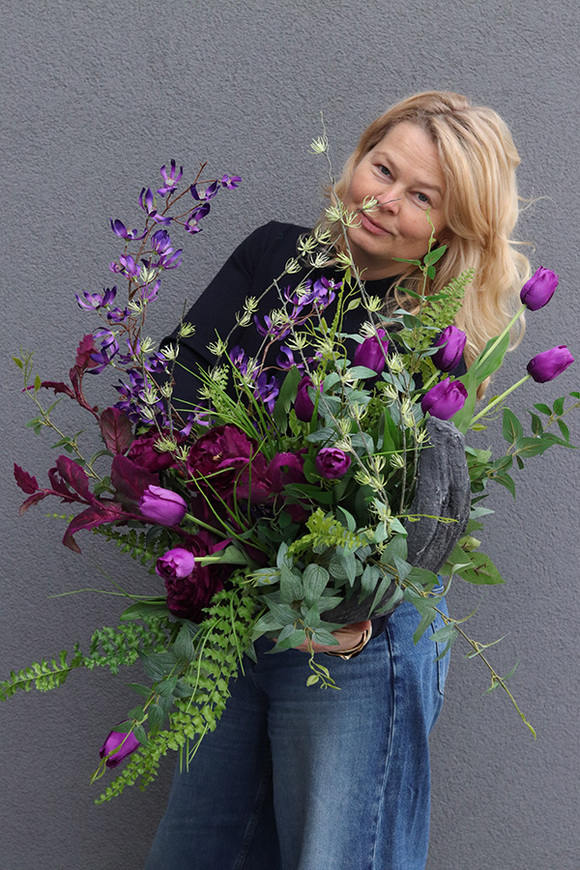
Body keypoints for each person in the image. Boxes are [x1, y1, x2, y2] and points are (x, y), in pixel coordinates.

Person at [145, 91, 530, 870]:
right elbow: (179, 377)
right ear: (357, 160)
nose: (385, 200)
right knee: (198, 852)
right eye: (382, 169)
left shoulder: (436, 332)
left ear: (450, 229)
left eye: (422, 197)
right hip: (242, 613)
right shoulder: (275, 257)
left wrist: (365, 605)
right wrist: (203, 478)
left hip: (356, 635)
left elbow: (414, 512)